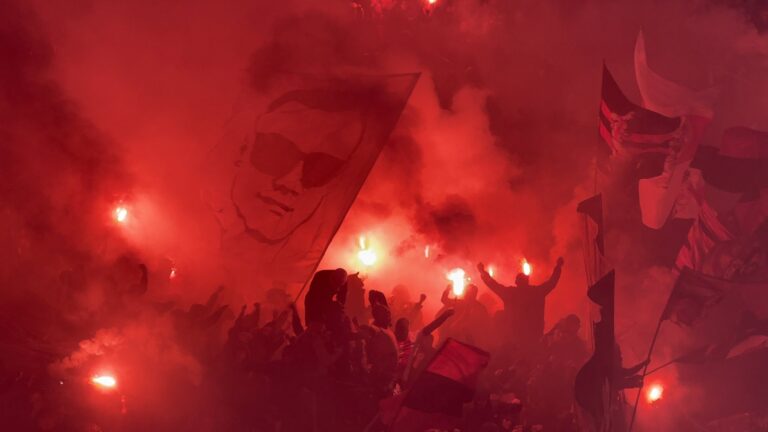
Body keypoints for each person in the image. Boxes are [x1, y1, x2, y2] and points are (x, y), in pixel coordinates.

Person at [477, 258, 564, 351]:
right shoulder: (537, 292)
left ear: (516, 282)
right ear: (527, 281)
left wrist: (482, 272)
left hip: (515, 339)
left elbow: (493, 285)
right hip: (533, 338)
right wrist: (558, 267)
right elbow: (552, 282)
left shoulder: (510, 293)